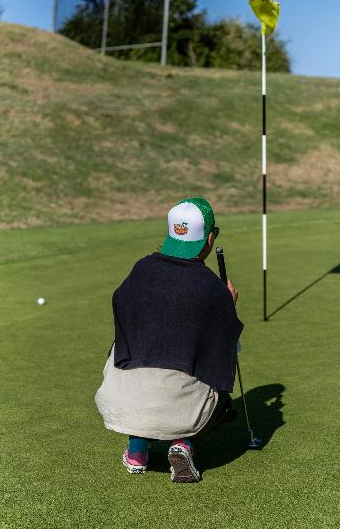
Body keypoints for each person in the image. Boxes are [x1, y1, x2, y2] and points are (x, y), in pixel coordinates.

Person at [95, 197, 243, 483]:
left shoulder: (141, 269)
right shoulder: (211, 287)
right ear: (210, 239)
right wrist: (228, 307)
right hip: (181, 413)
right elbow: (225, 355)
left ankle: (137, 451)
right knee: (221, 396)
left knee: (133, 358)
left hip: (119, 405)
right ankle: (183, 443)